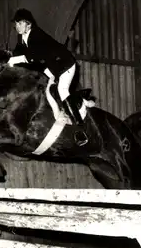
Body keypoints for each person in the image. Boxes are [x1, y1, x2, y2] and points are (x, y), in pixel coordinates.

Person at [7, 8, 88, 146]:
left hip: (65, 64)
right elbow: (17, 53)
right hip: (52, 65)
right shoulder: (22, 37)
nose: (17, 26)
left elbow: (33, 58)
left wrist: (14, 60)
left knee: (62, 90)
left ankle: (81, 129)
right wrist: (8, 60)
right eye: (16, 23)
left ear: (28, 24)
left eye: (20, 23)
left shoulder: (37, 35)